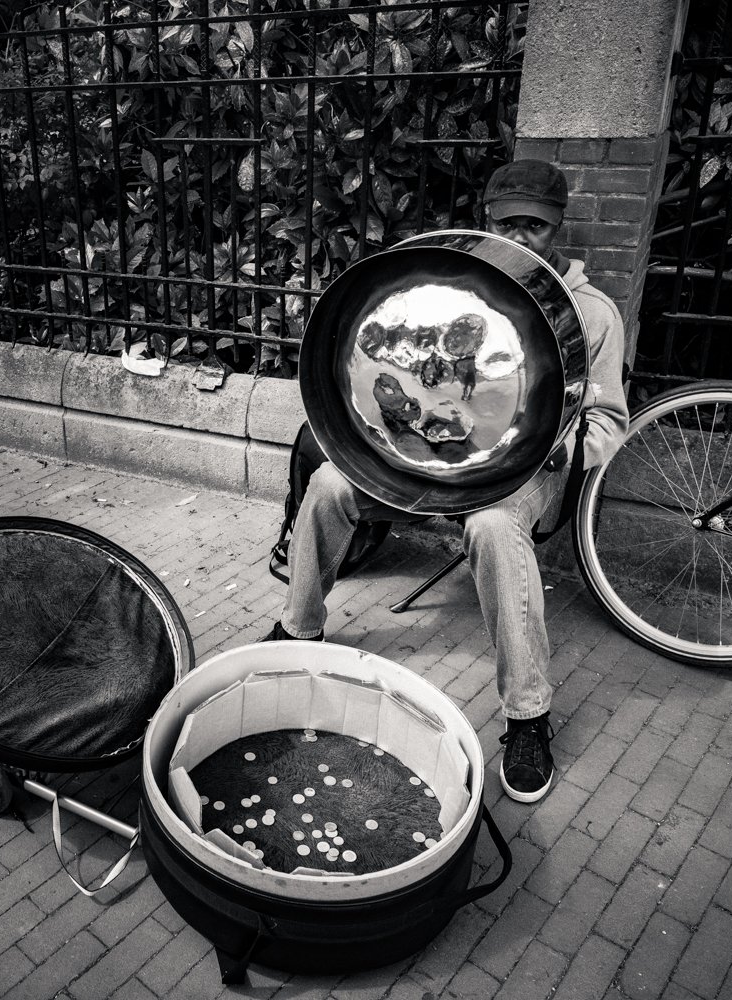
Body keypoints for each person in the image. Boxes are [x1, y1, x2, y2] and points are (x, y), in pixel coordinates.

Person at [264, 159, 629, 804]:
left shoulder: (592, 314)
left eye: (536, 227)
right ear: (489, 220)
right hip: (426, 462)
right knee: (327, 484)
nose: (522, 236)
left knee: (493, 528)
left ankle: (527, 715)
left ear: (558, 228)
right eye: (508, 223)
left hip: (522, 475)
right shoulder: (456, 282)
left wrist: (562, 437)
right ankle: (300, 628)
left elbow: (607, 426)